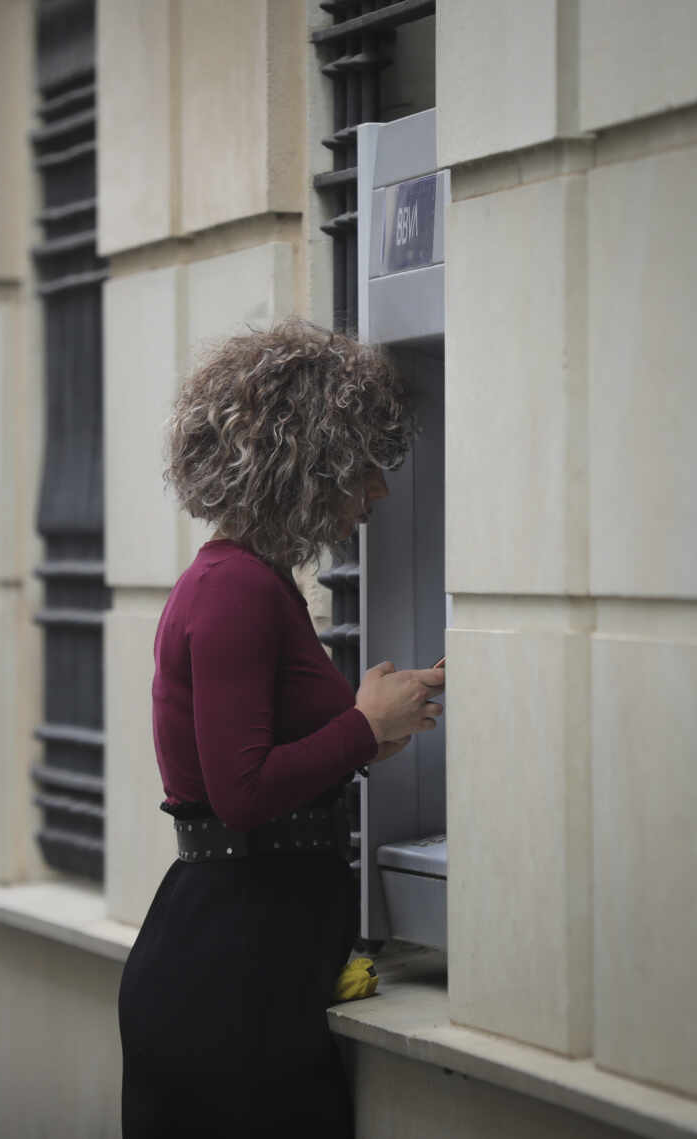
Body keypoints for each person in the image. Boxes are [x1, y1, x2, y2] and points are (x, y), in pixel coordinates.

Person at [118, 317, 446, 1138]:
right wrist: (364, 730)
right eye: (362, 465)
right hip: (226, 989)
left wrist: (369, 721)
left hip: (249, 974)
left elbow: (268, 760)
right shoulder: (235, 590)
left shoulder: (252, 580)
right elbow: (241, 791)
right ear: (307, 463)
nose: (375, 490)